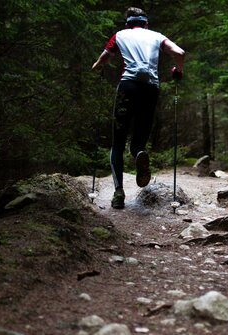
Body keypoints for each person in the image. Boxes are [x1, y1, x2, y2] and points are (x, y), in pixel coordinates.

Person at [92, 7, 185, 209]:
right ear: (146, 24)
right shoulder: (156, 36)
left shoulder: (120, 35)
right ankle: (138, 154)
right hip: (150, 89)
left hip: (128, 86)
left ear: (128, 24)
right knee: (139, 140)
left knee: (117, 142)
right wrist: (177, 70)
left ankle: (118, 194)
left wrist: (98, 67)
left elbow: (103, 59)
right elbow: (179, 52)